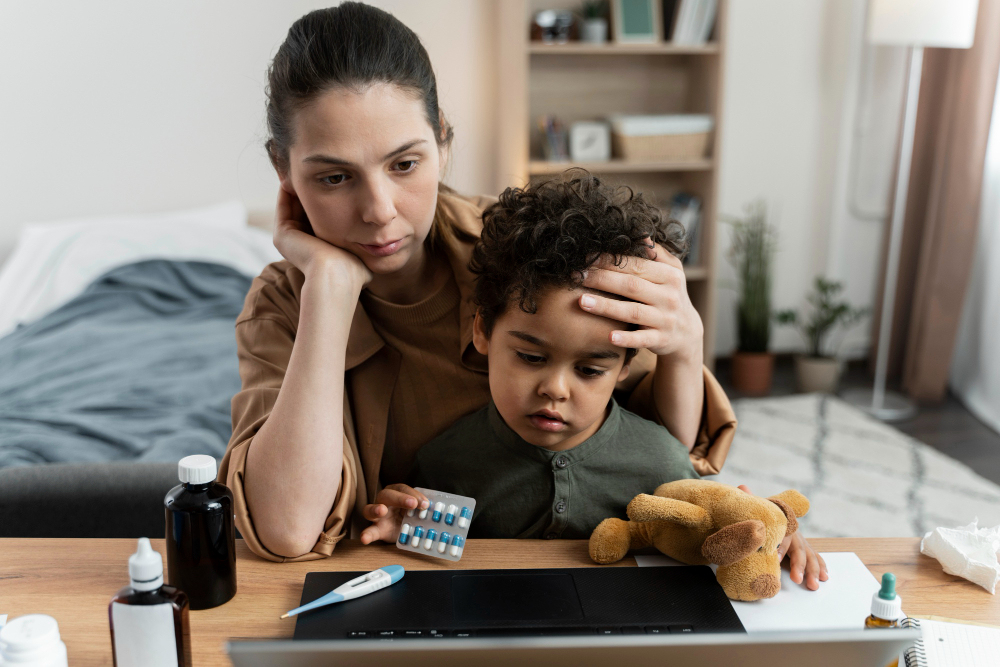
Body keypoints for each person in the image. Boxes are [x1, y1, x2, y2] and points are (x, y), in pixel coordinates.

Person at [217, 1, 823, 591]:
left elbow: (650, 452)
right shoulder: (282, 305)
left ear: (444, 142)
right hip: (418, 588)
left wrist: (686, 348)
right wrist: (328, 289)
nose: (379, 212)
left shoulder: (529, 253)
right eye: (333, 177)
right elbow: (288, 530)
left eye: (404, 165)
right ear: (284, 171)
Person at [400, 174, 701, 539]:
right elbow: (427, 551)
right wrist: (403, 526)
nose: (555, 390)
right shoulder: (443, 465)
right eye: (530, 357)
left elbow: (707, 535)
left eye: (590, 370)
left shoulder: (663, 462)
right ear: (481, 330)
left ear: (625, 364)